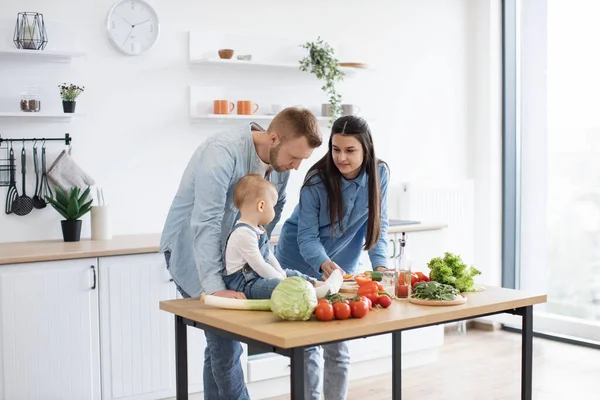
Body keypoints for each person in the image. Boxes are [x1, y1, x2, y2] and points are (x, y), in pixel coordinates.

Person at [160, 107, 322, 400]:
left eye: (302, 159)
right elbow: (205, 223)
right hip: (190, 250)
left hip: (232, 258)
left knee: (219, 346)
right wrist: (214, 288)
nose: (297, 166)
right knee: (225, 343)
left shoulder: (280, 168)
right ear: (273, 138)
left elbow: (267, 222)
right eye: (294, 157)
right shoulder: (222, 153)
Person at [275, 115, 390, 400]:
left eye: (350, 150)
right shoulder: (317, 179)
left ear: (366, 149)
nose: (341, 157)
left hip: (342, 266)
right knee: (308, 346)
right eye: (336, 149)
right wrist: (324, 265)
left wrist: (382, 269)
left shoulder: (380, 174)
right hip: (300, 261)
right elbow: (306, 238)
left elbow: (377, 226)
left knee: (338, 346)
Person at [223, 174, 343, 299]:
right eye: (273, 206)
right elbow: (259, 265)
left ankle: (316, 284)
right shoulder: (243, 233)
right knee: (278, 286)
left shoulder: (258, 230)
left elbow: (269, 257)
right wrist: (282, 280)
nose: (274, 211)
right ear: (261, 206)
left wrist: (281, 273)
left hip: (257, 277)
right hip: (245, 284)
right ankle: (314, 294)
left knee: (290, 273)